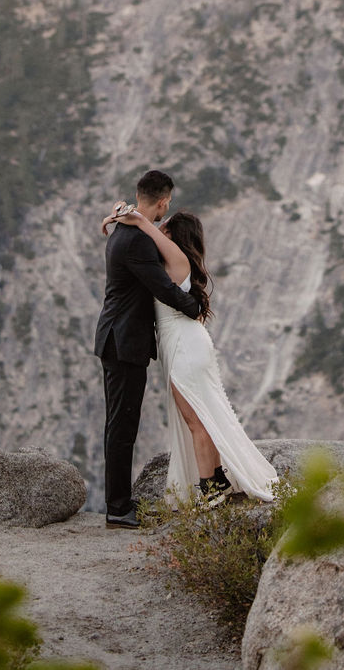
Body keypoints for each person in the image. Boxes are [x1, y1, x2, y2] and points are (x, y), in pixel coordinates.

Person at [100, 204, 278, 508]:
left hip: (185, 346)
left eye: (166, 225)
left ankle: (210, 487)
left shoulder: (177, 259)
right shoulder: (171, 259)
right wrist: (116, 217)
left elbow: (147, 232)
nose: (161, 227)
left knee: (195, 417)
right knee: (200, 414)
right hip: (182, 344)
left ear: (173, 233)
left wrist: (135, 218)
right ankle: (217, 478)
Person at [93, 168, 201, 528]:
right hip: (124, 342)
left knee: (121, 424)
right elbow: (161, 286)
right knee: (122, 427)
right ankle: (118, 508)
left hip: (119, 339)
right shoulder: (137, 240)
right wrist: (195, 307)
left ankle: (119, 502)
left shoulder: (124, 228)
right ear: (163, 201)